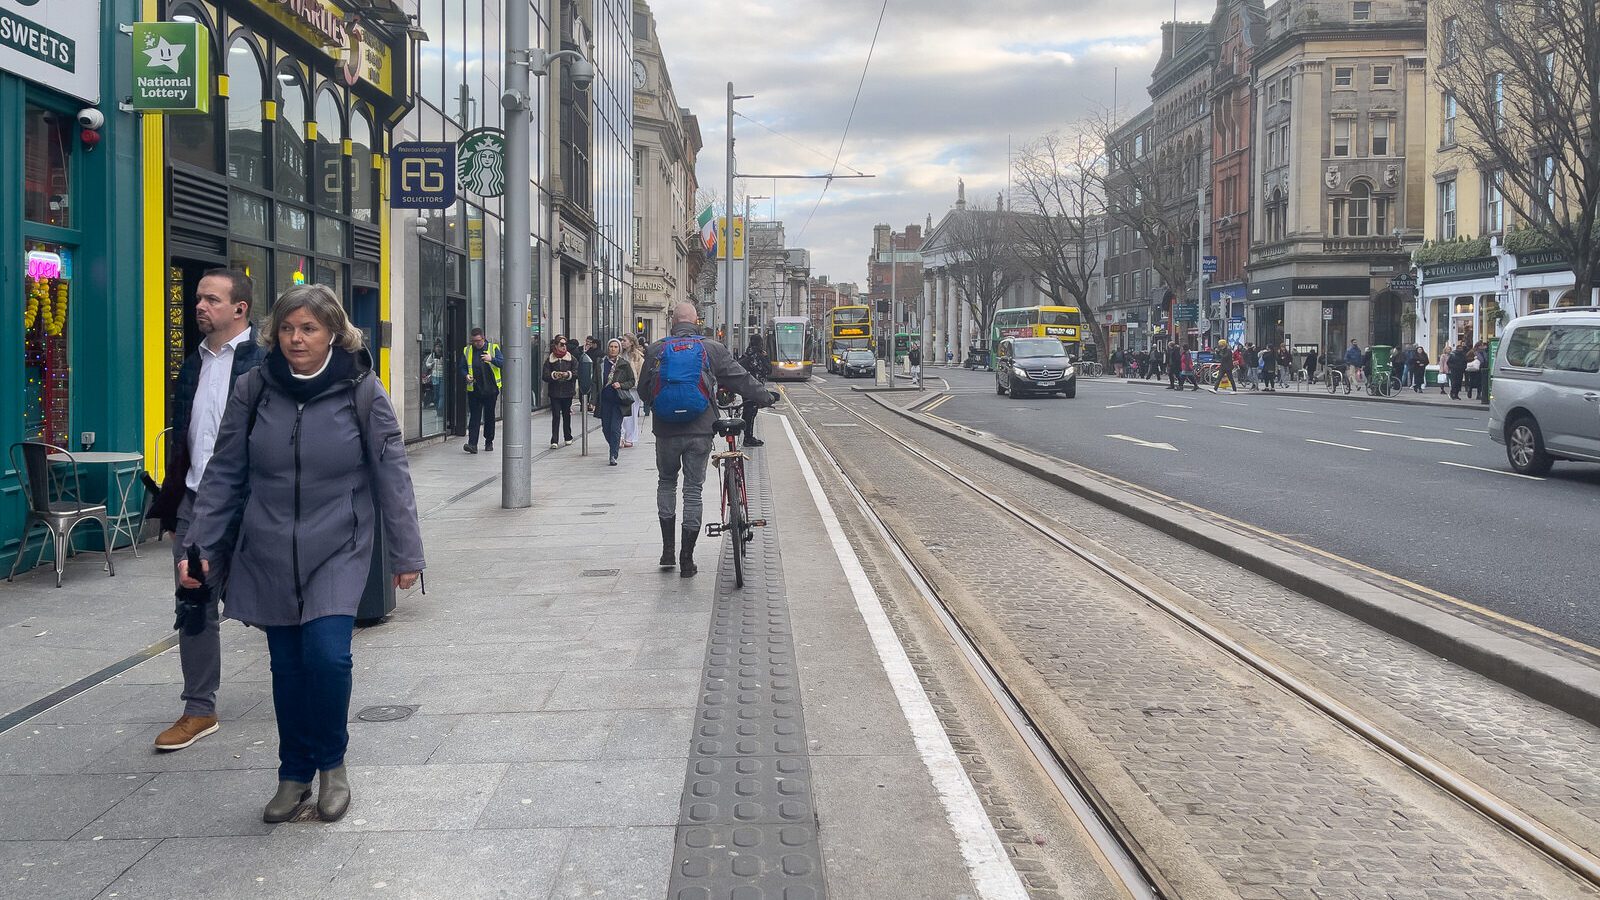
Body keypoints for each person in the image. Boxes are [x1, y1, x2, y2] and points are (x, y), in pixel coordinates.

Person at [180, 283, 424, 824]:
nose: (296, 338)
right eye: (288, 328)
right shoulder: (254, 387)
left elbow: (392, 473)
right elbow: (222, 474)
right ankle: (294, 774)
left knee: (328, 655)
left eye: (309, 328)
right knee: (287, 666)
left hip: (339, 542)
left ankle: (332, 766)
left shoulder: (361, 388)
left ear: (333, 333)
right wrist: (198, 547)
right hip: (266, 545)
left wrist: (408, 554)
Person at [145, 269, 264, 753]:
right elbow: (185, 435)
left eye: (211, 300)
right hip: (197, 501)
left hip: (255, 503)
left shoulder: (266, 361)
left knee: (279, 600)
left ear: (240, 309)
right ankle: (199, 708)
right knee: (193, 601)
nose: (200, 307)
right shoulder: (192, 364)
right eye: (198, 299)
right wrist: (176, 504)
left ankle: (302, 690)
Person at [640, 302, 776, 577]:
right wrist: (766, 396)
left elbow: (643, 389)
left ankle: (668, 551)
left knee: (666, 482)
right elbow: (740, 378)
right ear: (696, 321)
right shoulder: (711, 348)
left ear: (673, 321)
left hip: (666, 430)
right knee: (693, 489)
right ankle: (687, 559)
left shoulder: (656, 349)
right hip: (700, 430)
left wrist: (660, 407)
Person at [588, 338, 636, 465]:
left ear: (619, 349)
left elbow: (632, 381)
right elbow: (595, 383)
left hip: (618, 401)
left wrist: (621, 385)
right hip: (604, 402)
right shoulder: (601, 363)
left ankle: (613, 454)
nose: (613, 349)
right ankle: (613, 445)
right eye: (611, 347)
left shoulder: (624, 364)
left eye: (616, 347)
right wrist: (592, 401)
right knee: (606, 429)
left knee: (615, 429)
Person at [460, 328, 503, 453]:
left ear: (483, 338)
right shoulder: (467, 350)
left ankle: (489, 441)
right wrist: (466, 375)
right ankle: (472, 444)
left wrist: (491, 359)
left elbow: (503, 362)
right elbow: (462, 367)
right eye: (473, 341)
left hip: (491, 389)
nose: (476, 343)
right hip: (474, 389)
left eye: (478, 341)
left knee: (489, 417)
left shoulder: (493, 348)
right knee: (474, 417)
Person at [541, 336, 579, 447]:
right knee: (556, 415)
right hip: (554, 392)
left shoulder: (571, 358)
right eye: (561, 344)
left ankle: (568, 436)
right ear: (556, 345)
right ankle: (554, 440)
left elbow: (576, 373)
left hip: (568, 392)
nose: (564, 347)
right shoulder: (550, 359)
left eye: (565, 344)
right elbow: (545, 375)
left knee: (566, 415)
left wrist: (568, 374)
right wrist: (554, 375)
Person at [738, 339, 771, 447]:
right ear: (760, 344)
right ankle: (748, 437)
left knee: (747, 411)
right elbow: (767, 369)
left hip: (746, 387)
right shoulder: (758, 356)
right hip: (755, 388)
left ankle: (746, 435)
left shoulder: (746, 354)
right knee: (752, 412)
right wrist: (765, 357)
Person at [619, 334, 646, 448]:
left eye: (624, 340)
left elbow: (641, 373)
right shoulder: (620, 355)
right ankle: (620, 436)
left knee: (632, 414)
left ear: (631, 342)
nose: (622, 342)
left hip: (633, 389)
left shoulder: (638, 357)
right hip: (620, 387)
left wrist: (639, 385)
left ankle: (630, 437)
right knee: (620, 414)